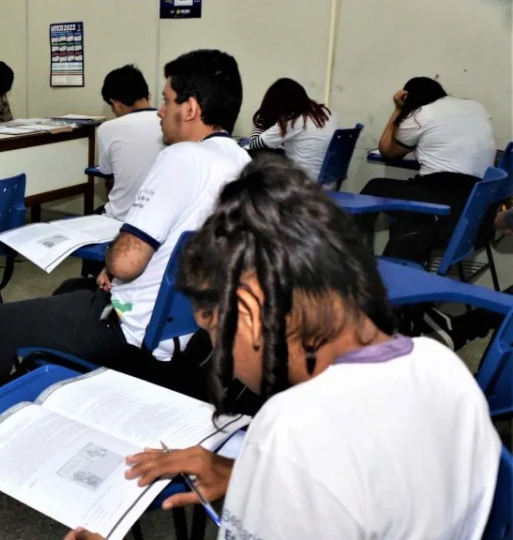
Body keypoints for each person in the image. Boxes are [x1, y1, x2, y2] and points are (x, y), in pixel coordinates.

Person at [65, 155, 501, 540]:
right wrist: (248, 475)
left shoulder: (293, 431)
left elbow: (321, 465)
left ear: (247, 310)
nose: (223, 358)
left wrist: (273, 468)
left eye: (213, 331)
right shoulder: (444, 367)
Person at [0, 49, 250, 432]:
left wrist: (113, 262)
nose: (160, 111)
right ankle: (43, 392)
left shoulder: (182, 158)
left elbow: (125, 262)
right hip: (188, 328)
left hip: (130, 328)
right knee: (70, 289)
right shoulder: (241, 163)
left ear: (190, 109)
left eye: (167, 100)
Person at [358, 77, 495, 264]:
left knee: (375, 188)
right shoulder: (476, 107)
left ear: (409, 98)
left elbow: (387, 150)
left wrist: (398, 109)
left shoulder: (420, 115)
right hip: (475, 203)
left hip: (439, 198)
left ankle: (350, 251)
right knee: (410, 218)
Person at [97, 64, 164, 221]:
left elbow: (109, 178)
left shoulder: (107, 128)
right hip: (162, 219)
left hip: (121, 219)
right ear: (148, 94)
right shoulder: (171, 124)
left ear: (116, 103)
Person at [247, 78, 338, 181]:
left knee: (253, 156)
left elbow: (254, 144)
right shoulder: (327, 113)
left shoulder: (293, 121)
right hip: (329, 181)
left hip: (304, 182)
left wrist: (262, 119)